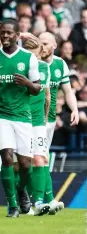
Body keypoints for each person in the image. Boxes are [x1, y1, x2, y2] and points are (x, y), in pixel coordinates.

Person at [0, 19, 41, 218]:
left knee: (25, 165)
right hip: (0, 114)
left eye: (9, 33)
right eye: (2, 33)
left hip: (22, 116)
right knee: (6, 157)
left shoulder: (28, 58)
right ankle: (12, 205)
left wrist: (28, 83)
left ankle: (21, 191)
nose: (5, 36)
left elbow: (37, 89)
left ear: (17, 36)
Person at [39, 31, 79, 215]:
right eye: (40, 43)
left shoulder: (59, 64)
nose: (42, 46)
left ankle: (45, 200)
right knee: (36, 159)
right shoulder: (32, 63)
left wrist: (75, 110)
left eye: (46, 43)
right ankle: (42, 200)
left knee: (42, 158)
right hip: (30, 118)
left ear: (55, 46)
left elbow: (68, 91)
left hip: (50, 121)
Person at [19, 32, 51, 216]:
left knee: (40, 159)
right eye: (28, 53)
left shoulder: (43, 68)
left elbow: (45, 95)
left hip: (37, 121)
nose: (33, 57)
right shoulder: (18, 64)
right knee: (20, 164)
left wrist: (45, 118)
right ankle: (17, 201)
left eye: (35, 54)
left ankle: (38, 201)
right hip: (19, 118)